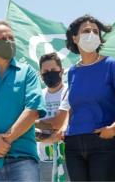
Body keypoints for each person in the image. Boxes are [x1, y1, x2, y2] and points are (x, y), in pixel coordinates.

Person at [62, 15, 115, 181]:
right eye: (86, 31)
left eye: (96, 31)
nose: (92, 34)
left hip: (105, 144)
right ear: (74, 38)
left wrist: (113, 129)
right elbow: (74, 106)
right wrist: (66, 129)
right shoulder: (72, 72)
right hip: (73, 145)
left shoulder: (111, 65)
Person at [0, 20, 46, 182]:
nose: (10, 42)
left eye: (12, 38)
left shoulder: (28, 73)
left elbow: (33, 110)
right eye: (4, 39)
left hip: (23, 158)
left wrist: (3, 141)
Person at [35, 52, 69, 182]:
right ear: (41, 75)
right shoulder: (38, 97)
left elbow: (60, 124)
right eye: (46, 71)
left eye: (53, 70)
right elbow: (29, 130)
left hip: (69, 159)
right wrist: (49, 137)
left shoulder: (69, 91)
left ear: (61, 71)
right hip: (45, 160)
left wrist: (35, 124)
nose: (50, 73)